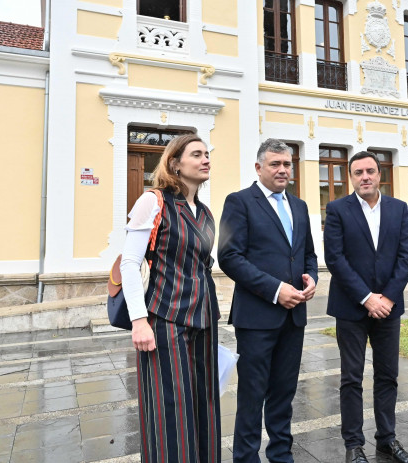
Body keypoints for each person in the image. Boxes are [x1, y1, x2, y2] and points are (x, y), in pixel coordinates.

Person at [120, 134, 221, 462]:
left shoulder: (205, 213)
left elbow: (202, 267)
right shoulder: (153, 201)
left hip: (204, 321)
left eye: (207, 154)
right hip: (164, 320)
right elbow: (129, 263)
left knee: (205, 405)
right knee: (171, 410)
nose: (205, 159)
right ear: (175, 163)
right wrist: (139, 320)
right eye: (196, 154)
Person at [217, 138, 318, 463]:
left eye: (287, 164)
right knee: (252, 395)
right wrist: (276, 290)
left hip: (294, 317)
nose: (283, 170)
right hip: (257, 318)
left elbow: (308, 254)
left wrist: (311, 277)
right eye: (275, 164)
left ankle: (281, 456)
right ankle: (246, 458)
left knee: (284, 394)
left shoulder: (299, 206)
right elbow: (229, 256)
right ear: (258, 167)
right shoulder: (240, 202)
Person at [324, 151, 408, 463]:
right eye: (358, 172)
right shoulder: (337, 209)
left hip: (388, 309)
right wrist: (367, 297)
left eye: (370, 171)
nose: (365, 177)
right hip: (351, 308)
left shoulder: (399, 209)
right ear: (351, 177)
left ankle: (387, 440)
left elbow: (406, 256)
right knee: (351, 377)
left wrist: (387, 298)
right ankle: (354, 445)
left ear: (380, 175)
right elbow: (335, 258)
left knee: (388, 375)